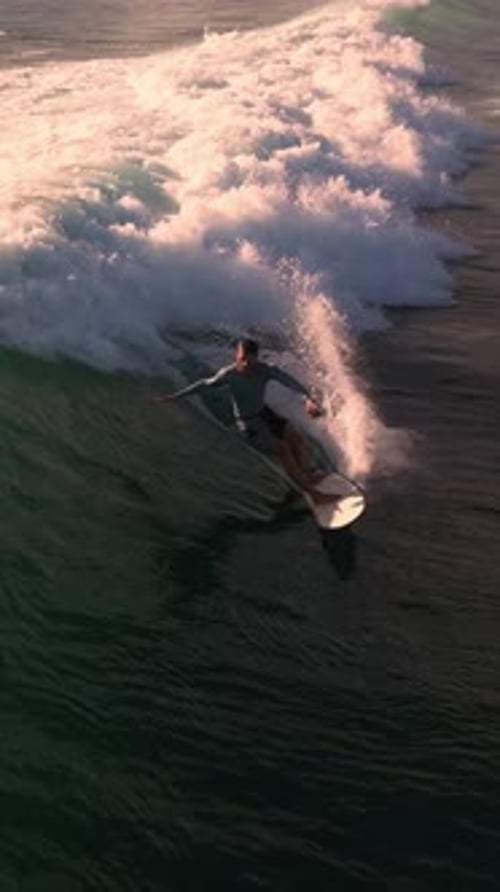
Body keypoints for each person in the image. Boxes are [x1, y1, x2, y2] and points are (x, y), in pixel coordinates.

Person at [154, 338, 335, 504]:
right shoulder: (229, 374)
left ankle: (305, 476)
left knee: (296, 437)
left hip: (264, 413)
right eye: (242, 359)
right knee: (283, 449)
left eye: (250, 360)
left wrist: (308, 399)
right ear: (237, 356)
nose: (246, 364)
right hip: (248, 423)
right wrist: (174, 397)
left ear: (256, 358)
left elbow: (290, 382)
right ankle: (314, 495)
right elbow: (204, 384)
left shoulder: (265, 370)